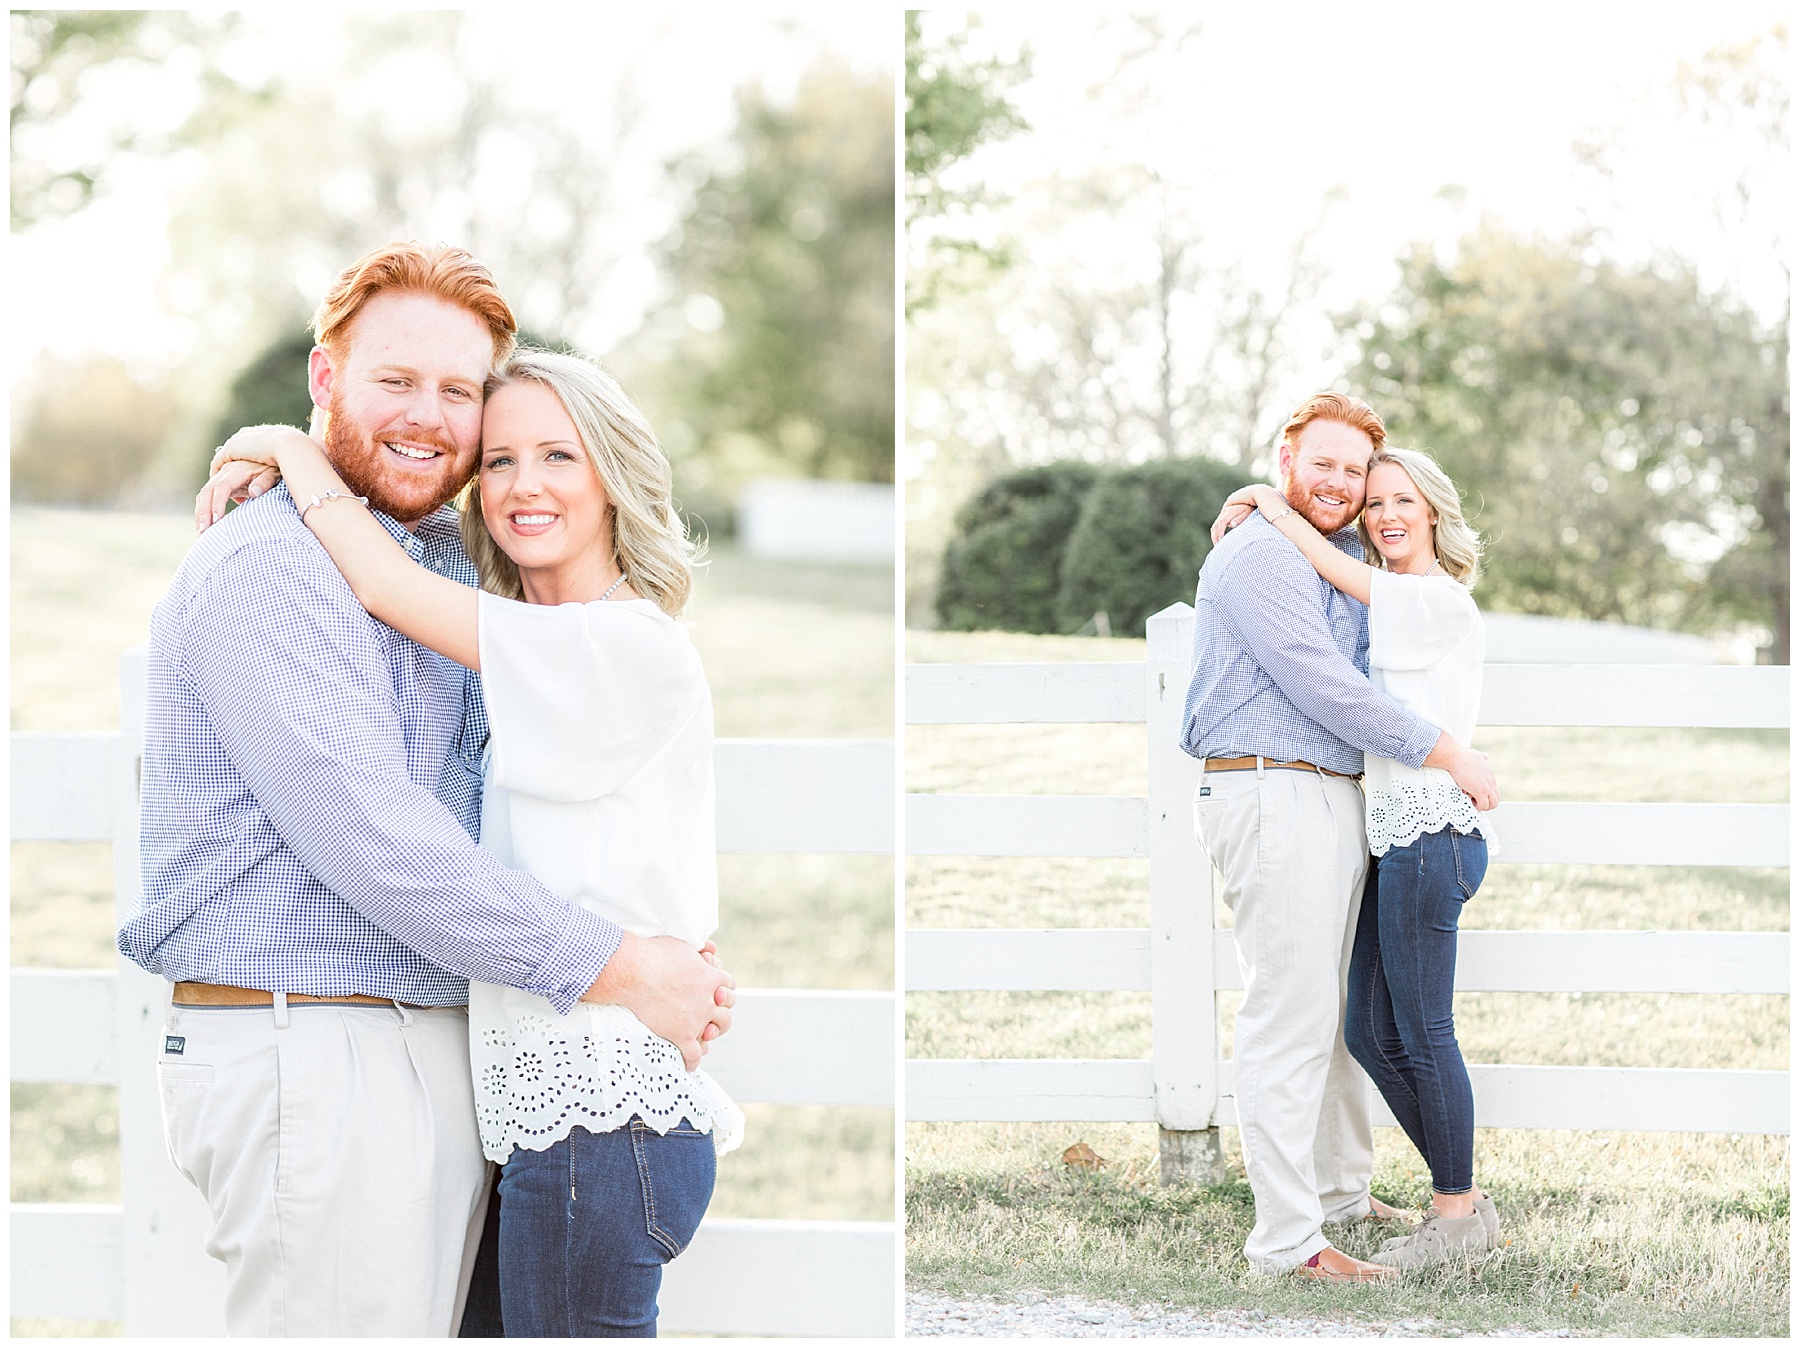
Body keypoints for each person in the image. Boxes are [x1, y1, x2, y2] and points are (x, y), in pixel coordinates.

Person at [119, 242, 733, 1337]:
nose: (431, 418)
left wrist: (287, 456)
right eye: (395, 380)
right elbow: (379, 842)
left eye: (459, 393)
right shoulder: (274, 565)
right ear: (324, 380)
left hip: (451, 1063)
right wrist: (625, 963)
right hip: (315, 1046)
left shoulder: (459, 570)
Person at [1178, 391, 1498, 1282]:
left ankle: (1341, 1196)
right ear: (1287, 459)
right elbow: (1325, 684)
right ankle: (1289, 1245)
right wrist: (1444, 750)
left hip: (1341, 801)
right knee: (1291, 1020)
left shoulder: (1343, 553)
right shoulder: (1258, 562)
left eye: (1355, 471)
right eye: (1322, 464)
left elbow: (1371, 581)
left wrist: (1267, 499)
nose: (1344, 484)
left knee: (1337, 1023)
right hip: (1273, 791)